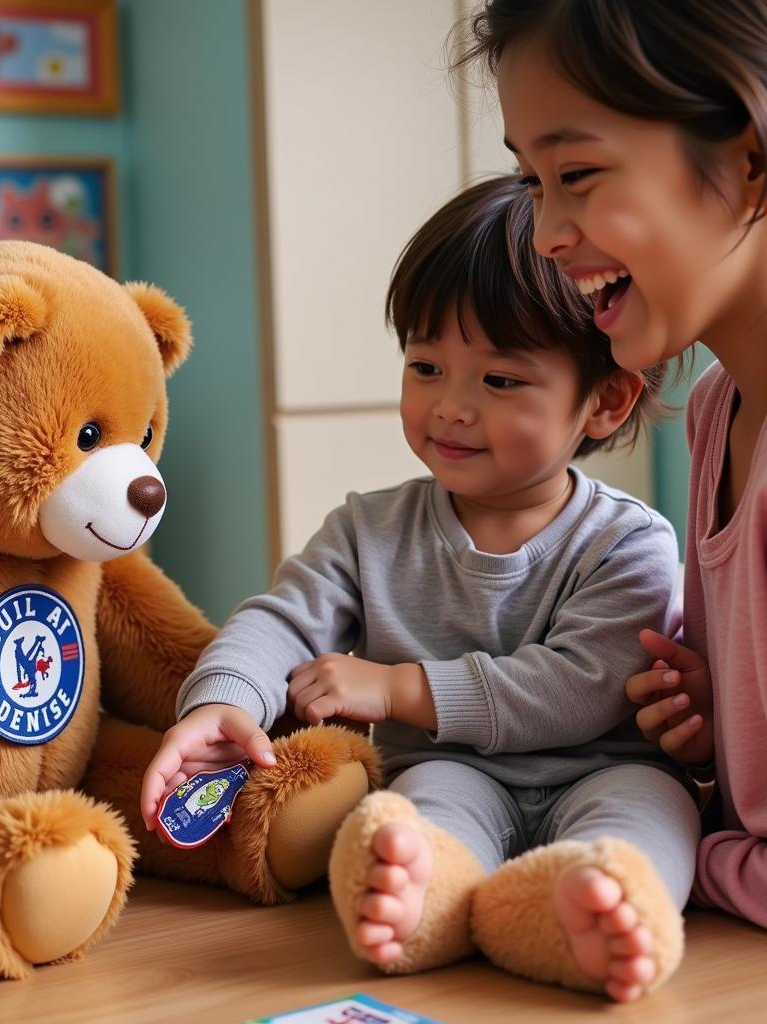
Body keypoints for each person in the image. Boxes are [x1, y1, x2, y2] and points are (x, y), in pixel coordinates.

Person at [141, 174, 701, 1003]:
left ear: (606, 401)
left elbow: (580, 688)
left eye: (499, 381)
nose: (450, 408)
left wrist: (400, 686)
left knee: (652, 819)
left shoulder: (632, 542)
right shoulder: (370, 529)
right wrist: (220, 703)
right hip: (454, 771)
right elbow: (282, 620)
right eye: (426, 365)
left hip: (602, 771)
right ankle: (424, 901)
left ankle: (585, 908)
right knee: (420, 811)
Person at [465, 0, 767, 943]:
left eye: (579, 174)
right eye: (530, 178)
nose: (547, 229)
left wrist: (685, 856)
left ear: (750, 151)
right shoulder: (720, 410)